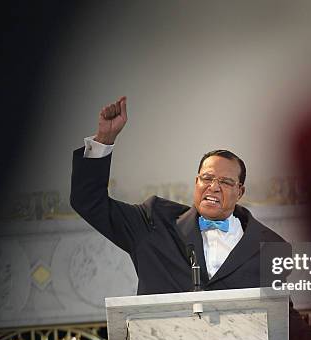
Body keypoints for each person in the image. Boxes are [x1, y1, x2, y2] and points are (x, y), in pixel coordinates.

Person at [70, 96, 286, 295]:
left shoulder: (269, 247)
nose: (214, 187)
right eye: (207, 178)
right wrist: (104, 140)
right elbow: (88, 201)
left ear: (240, 192)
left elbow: (281, 312)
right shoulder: (153, 222)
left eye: (226, 182)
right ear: (196, 182)